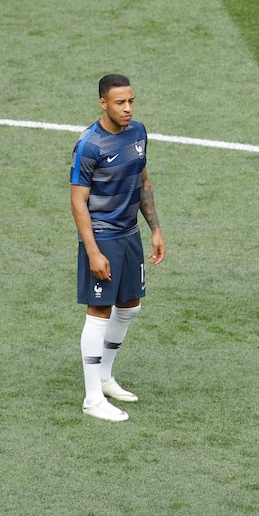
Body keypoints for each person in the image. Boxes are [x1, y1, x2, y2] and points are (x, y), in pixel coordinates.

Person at [70, 74, 165, 421]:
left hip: (129, 233)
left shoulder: (138, 133)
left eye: (131, 101)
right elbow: (78, 202)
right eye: (120, 103)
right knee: (100, 310)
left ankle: (105, 377)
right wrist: (93, 251)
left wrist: (154, 228)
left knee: (129, 306)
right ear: (103, 103)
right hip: (103, 234)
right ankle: (92, 398)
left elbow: (142, 179)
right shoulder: (89, 145)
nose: (127, 108)